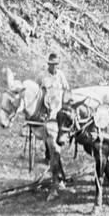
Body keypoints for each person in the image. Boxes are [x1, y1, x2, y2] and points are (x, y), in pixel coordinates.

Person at [39, 51, 71, 189]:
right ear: (48, 64)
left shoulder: (61, 75)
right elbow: (39, 94)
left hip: (60, 111)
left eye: (56, 65)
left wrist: (66, 105)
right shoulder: (43, 77)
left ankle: (56, 164)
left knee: (58, 138)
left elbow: (67, 89)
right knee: (49, 138)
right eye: (52, 65)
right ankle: (51, 158)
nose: (55, 67)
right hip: (49, 111)